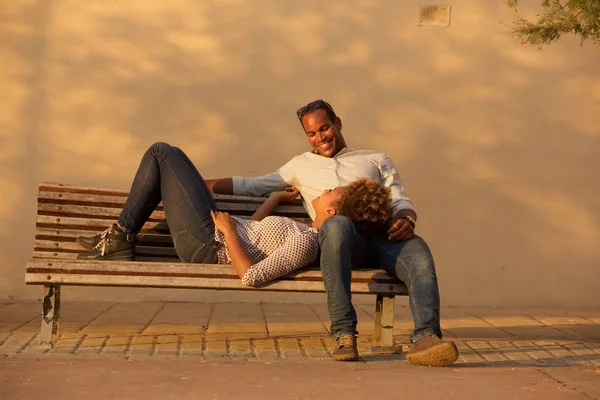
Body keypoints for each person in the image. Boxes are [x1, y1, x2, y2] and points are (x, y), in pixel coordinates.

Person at [206, 100, 459, 366]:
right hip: (340, 240)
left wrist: (406, 220)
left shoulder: (375, 159)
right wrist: (198, 183)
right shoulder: (299, 166)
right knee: (336, 226)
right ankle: (344, 335)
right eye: (311, 134)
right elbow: (249, 186)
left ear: (337, 123)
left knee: (419, 252)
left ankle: (426, 338)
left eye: (324, 128)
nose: (320, 138)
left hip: (384, 236)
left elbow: (399, 199)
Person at [76, 142, 392, 287]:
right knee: (166, 157)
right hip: (211, 230)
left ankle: (119, 238)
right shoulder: (305, 229)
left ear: (332, 210)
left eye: (329, 192)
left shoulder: (307, 244)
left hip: (207, 242)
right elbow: (255, 233)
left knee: (162, 153)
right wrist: (274, 199)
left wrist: (227, 232)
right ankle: (120, 238)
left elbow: (251, 276)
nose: (323, 192)